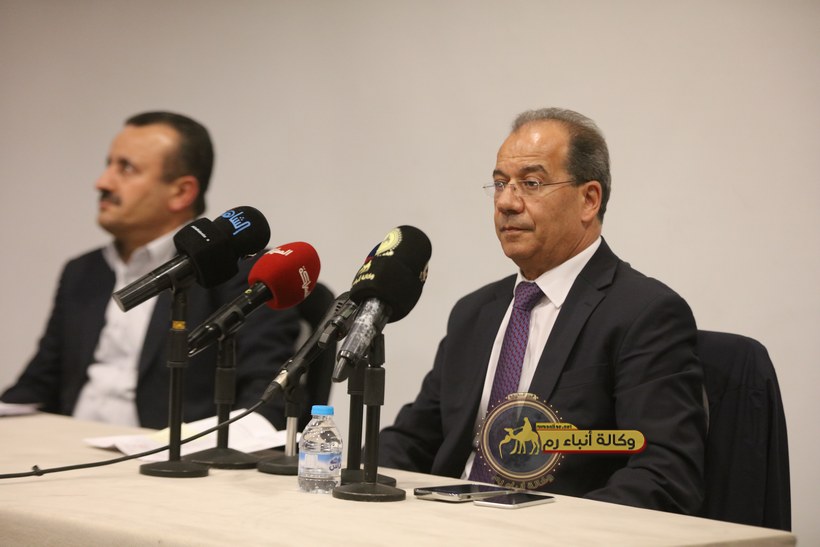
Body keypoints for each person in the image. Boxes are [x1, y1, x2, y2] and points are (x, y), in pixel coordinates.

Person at [378, 107, 706, 514]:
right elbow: (414, 440)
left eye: (531, 184)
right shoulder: (474, 313)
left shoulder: (644, 313)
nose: (506, 202)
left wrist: (547, 533)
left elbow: (664, 475)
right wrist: (341, 474)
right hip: (447, 523)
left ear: (589, 199)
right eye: (500, 184)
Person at [0, 111, 301, 430]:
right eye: (108, 165)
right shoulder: (83, 271)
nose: (102, 182)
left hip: (166, 450)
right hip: (69, 444)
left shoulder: (248, 274)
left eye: (126, 168)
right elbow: (37, 385)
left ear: (181, 192)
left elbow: (266, 400)